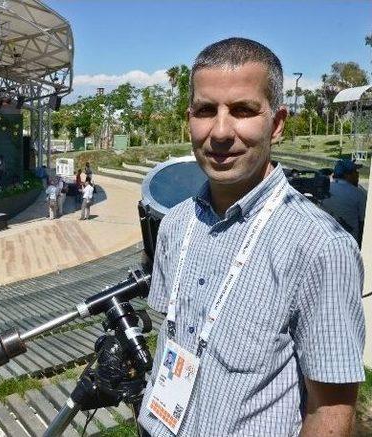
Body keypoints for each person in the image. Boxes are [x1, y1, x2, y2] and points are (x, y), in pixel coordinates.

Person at [138, 38, 364, 437]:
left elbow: (330, 409)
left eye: (243, 111)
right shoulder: (175, 224)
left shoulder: (320, 247)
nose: (221, 132)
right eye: (206, 111)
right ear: (189, 119)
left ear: (276, 124)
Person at [321, 158, 367, 246]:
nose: (358, 174)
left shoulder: (324, 188)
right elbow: (363, 224)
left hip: (326, 242)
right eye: (355, 171)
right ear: (347, 175)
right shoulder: (359, 193)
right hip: (350, 245)